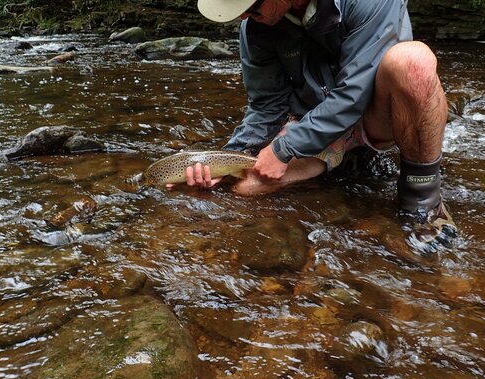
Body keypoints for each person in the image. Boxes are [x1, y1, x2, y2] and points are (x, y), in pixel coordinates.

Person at [188, 0, 456, 249]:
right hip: (313, 124)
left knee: (413, 62)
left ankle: (422, 197)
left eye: (252, 6)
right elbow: (265, 107)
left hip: (375, 114)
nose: (244, 16)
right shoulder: (257, 27)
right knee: (244, 188)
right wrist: (224, 160)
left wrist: (283, 149)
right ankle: (344, 160)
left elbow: (354, 95)